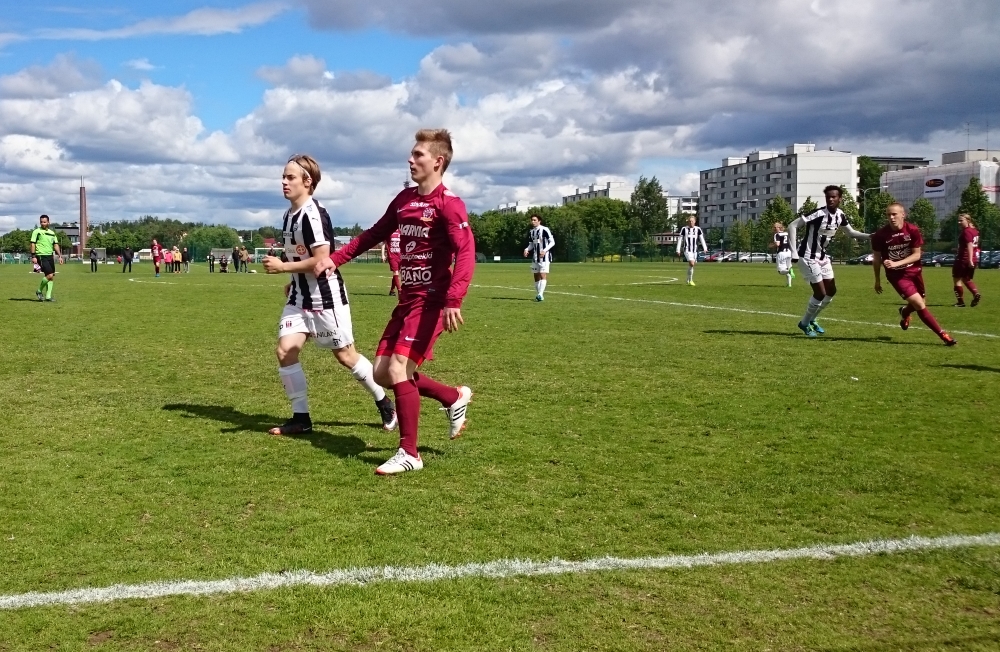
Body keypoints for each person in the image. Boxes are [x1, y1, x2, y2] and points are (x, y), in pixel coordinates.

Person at [314, 129, 475, 475]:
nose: (410, 160)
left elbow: (465, 252)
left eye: (418, 155)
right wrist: (336, 259)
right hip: (407, 301)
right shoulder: (404, 200)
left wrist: (454, 298)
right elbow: (374, 234)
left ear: (438, 161)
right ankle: (452, 397)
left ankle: (409, 453)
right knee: (382, 373)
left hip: (431, 300)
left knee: (399, 368)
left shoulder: (449, 204)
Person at [262, 154, 397, 436]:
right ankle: (301, 418)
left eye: (290, 177)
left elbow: (322, 259)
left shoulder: (313, 215)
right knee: (285, 351)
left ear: (307, 182)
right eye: (283, 177)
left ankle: (385, 403)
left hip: (325, 297)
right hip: (299, 298)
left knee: (346, 356)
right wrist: (293, 279)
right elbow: (300, 256)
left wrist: (283, 267)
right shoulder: (288, 215)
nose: (284, 182)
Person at [788, 185, 871, 337]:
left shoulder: (840, 215)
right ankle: (804, 323)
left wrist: (871, 236)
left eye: (834, 197)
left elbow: (851, 233)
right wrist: (793, 251)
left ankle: (812, 319)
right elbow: (792, 225)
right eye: (828, 197)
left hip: (822, 257)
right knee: (820, 292)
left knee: (831, 291)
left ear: (840, 199)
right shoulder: (818, 213)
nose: (830, 199)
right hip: (807, 256)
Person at [871, 203, 956, 346]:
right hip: (897, 276)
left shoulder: (912, 230)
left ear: (903, 214)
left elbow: (917, 255)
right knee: (919, 304)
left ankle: (905, 312)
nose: (891, 217)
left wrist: (896, 263)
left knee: (921, 302)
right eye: (888, 215)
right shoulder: (880, 235)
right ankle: (943, 335)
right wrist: (877, 280)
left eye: (894, 214)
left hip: (915, 272)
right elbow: (876, 258)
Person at [30, 214, 62, 302]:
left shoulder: (52, 233)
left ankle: (48, 296)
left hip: (50, 256)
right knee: (49, 275)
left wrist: (60, 256)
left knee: (51, 276)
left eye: (44, 222)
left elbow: (55, 245)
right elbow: (32, 244)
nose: (43, 223)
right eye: (41, 222)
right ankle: (39, 291)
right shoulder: (36, 231)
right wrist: (33, 256)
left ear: (48, 222)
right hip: (41, 255)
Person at [952, 213, 981, 307]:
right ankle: (976, 293)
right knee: (966, 279)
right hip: (973, 258)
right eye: (958, 220)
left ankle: (960, 302)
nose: (959, 222)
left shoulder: (966, 231)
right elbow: (973, 245)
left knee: (957, 279)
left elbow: (969, 245)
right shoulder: (975, 231)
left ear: (968, 220)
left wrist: (969, 260)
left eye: (961, 220)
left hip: (963, 259)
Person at [523, 214, 554, 301]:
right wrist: (526, 249)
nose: (533, 222)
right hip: (535, 257)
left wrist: (544, 250)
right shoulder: (531, 232)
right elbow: (531, 244)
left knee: (542, 274)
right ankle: (539, 294)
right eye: (532, 220)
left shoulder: (544, 229)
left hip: (544, 257)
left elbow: (552, 242)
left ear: (539, 221)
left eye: (534, 220)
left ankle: (540, 294)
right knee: (536, 276)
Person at [676, 215, 708, 286]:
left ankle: (688, 279)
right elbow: (680, 239)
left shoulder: (698, 229)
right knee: (692, 263)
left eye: (692, 221)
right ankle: (691, 280)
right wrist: (678, 250)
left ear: (695, 221)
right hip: (687, 250)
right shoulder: (684, 229)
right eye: (689, 221)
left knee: (691, 266)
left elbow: (701, 239)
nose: (691, 222)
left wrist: (705, 248)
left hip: (695, 251)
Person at [769, 221, 795, 287]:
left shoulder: (777, 234)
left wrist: (772, 245)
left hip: (782, 253)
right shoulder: (787, 233)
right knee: (788, 267)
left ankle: (789, 271)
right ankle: (789, 284)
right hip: (789, 253)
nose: (774, 229)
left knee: (780, 271)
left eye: (775, 227)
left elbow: (778, 244)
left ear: (779, 228)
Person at [382, 229, 402, 296]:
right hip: (392, 256)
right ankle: (400, 290)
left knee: (396, 274)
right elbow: (383, 244)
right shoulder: (388, 231)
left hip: (400, 256)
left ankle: (392, 291)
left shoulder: (401, 231)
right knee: (395, 272)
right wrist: (383, 255)